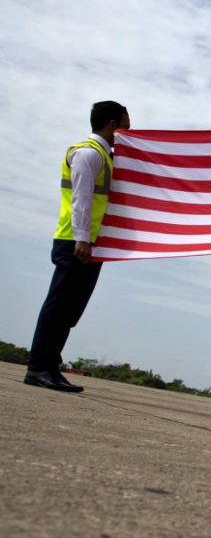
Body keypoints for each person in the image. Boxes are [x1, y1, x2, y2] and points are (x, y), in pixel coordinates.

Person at [25, 102, 131, 393]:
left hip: (91, 243)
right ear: (111, 125)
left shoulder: (106, 157)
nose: (127, 133)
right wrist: (82, 239)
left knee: (71, 309)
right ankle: (38, 367)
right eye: (125, 127)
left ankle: (49, 366)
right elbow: (81, 199)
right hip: (76, 241)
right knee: (59, 305)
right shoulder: (88, 154)